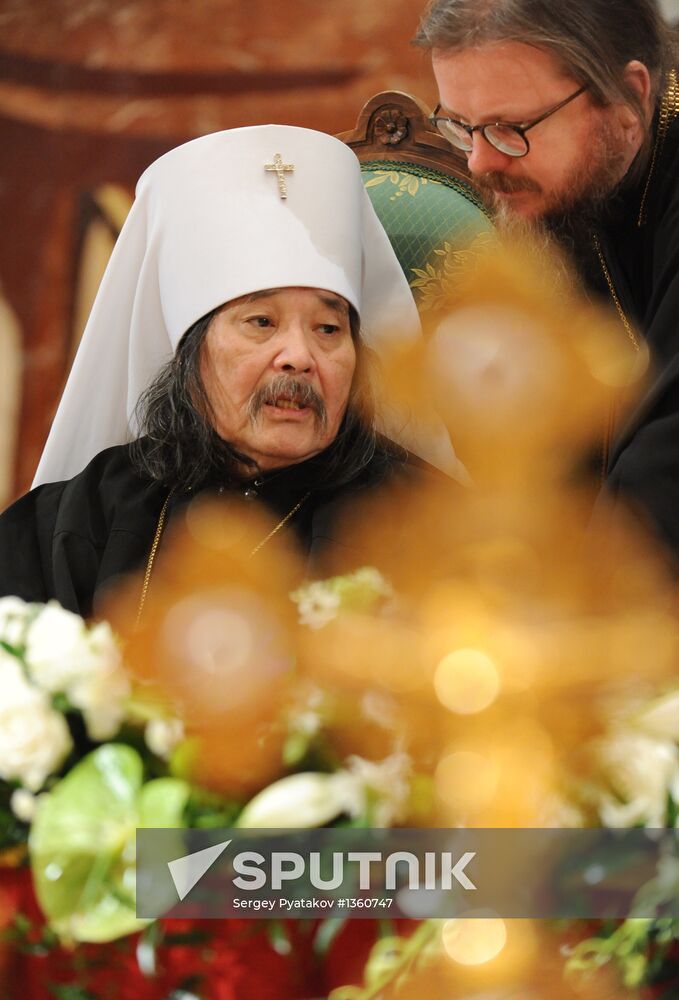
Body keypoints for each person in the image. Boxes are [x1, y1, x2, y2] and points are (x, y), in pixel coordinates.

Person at [0, 125, 457, 618]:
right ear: (189, 352)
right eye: (262, 322)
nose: (299, 356)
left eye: (328, 328)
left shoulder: (427, 524)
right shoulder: (86, 512)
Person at [415, 0, 679, 559]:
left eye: (510, 129)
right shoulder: (570, 191)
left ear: (629, 93)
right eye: (462, 127)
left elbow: (665, 465)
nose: (480, 163)